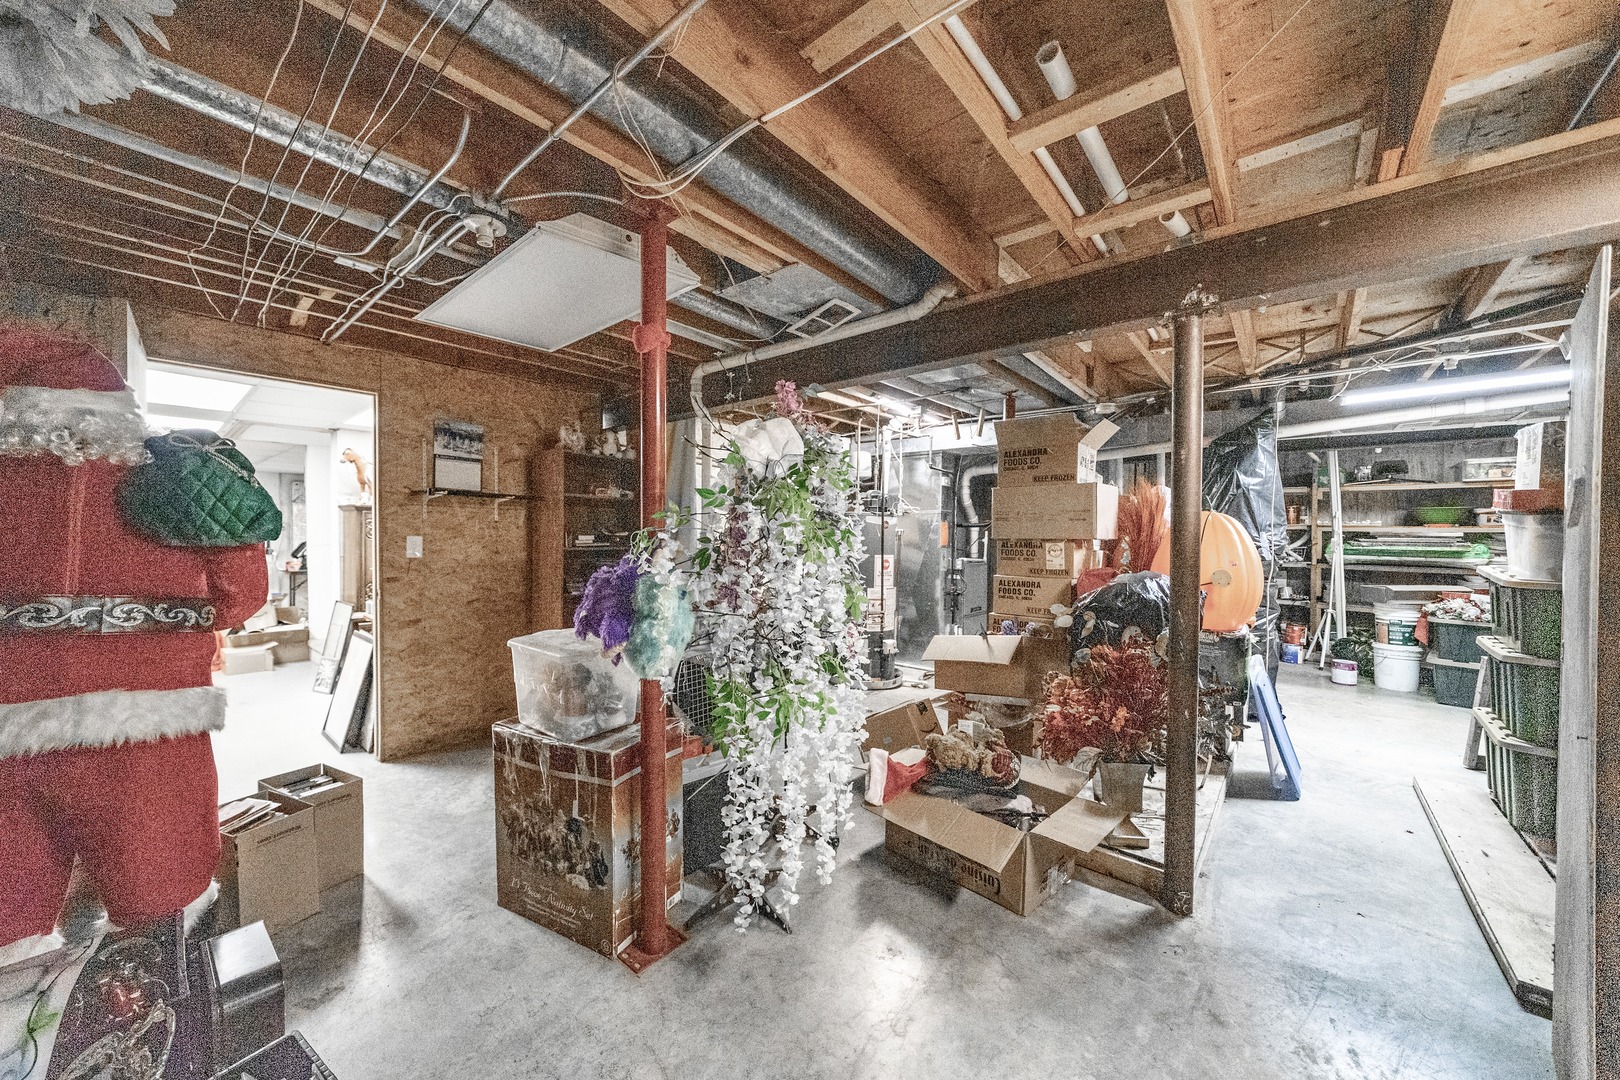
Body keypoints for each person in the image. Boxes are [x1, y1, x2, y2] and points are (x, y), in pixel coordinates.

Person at [0, 326, 267, 954]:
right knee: (160, 902)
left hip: (7, 725)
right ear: (118, 400)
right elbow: (241, 597)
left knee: (11, 925)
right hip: (146, 728)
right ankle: (154, 1027)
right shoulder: (178, 469)